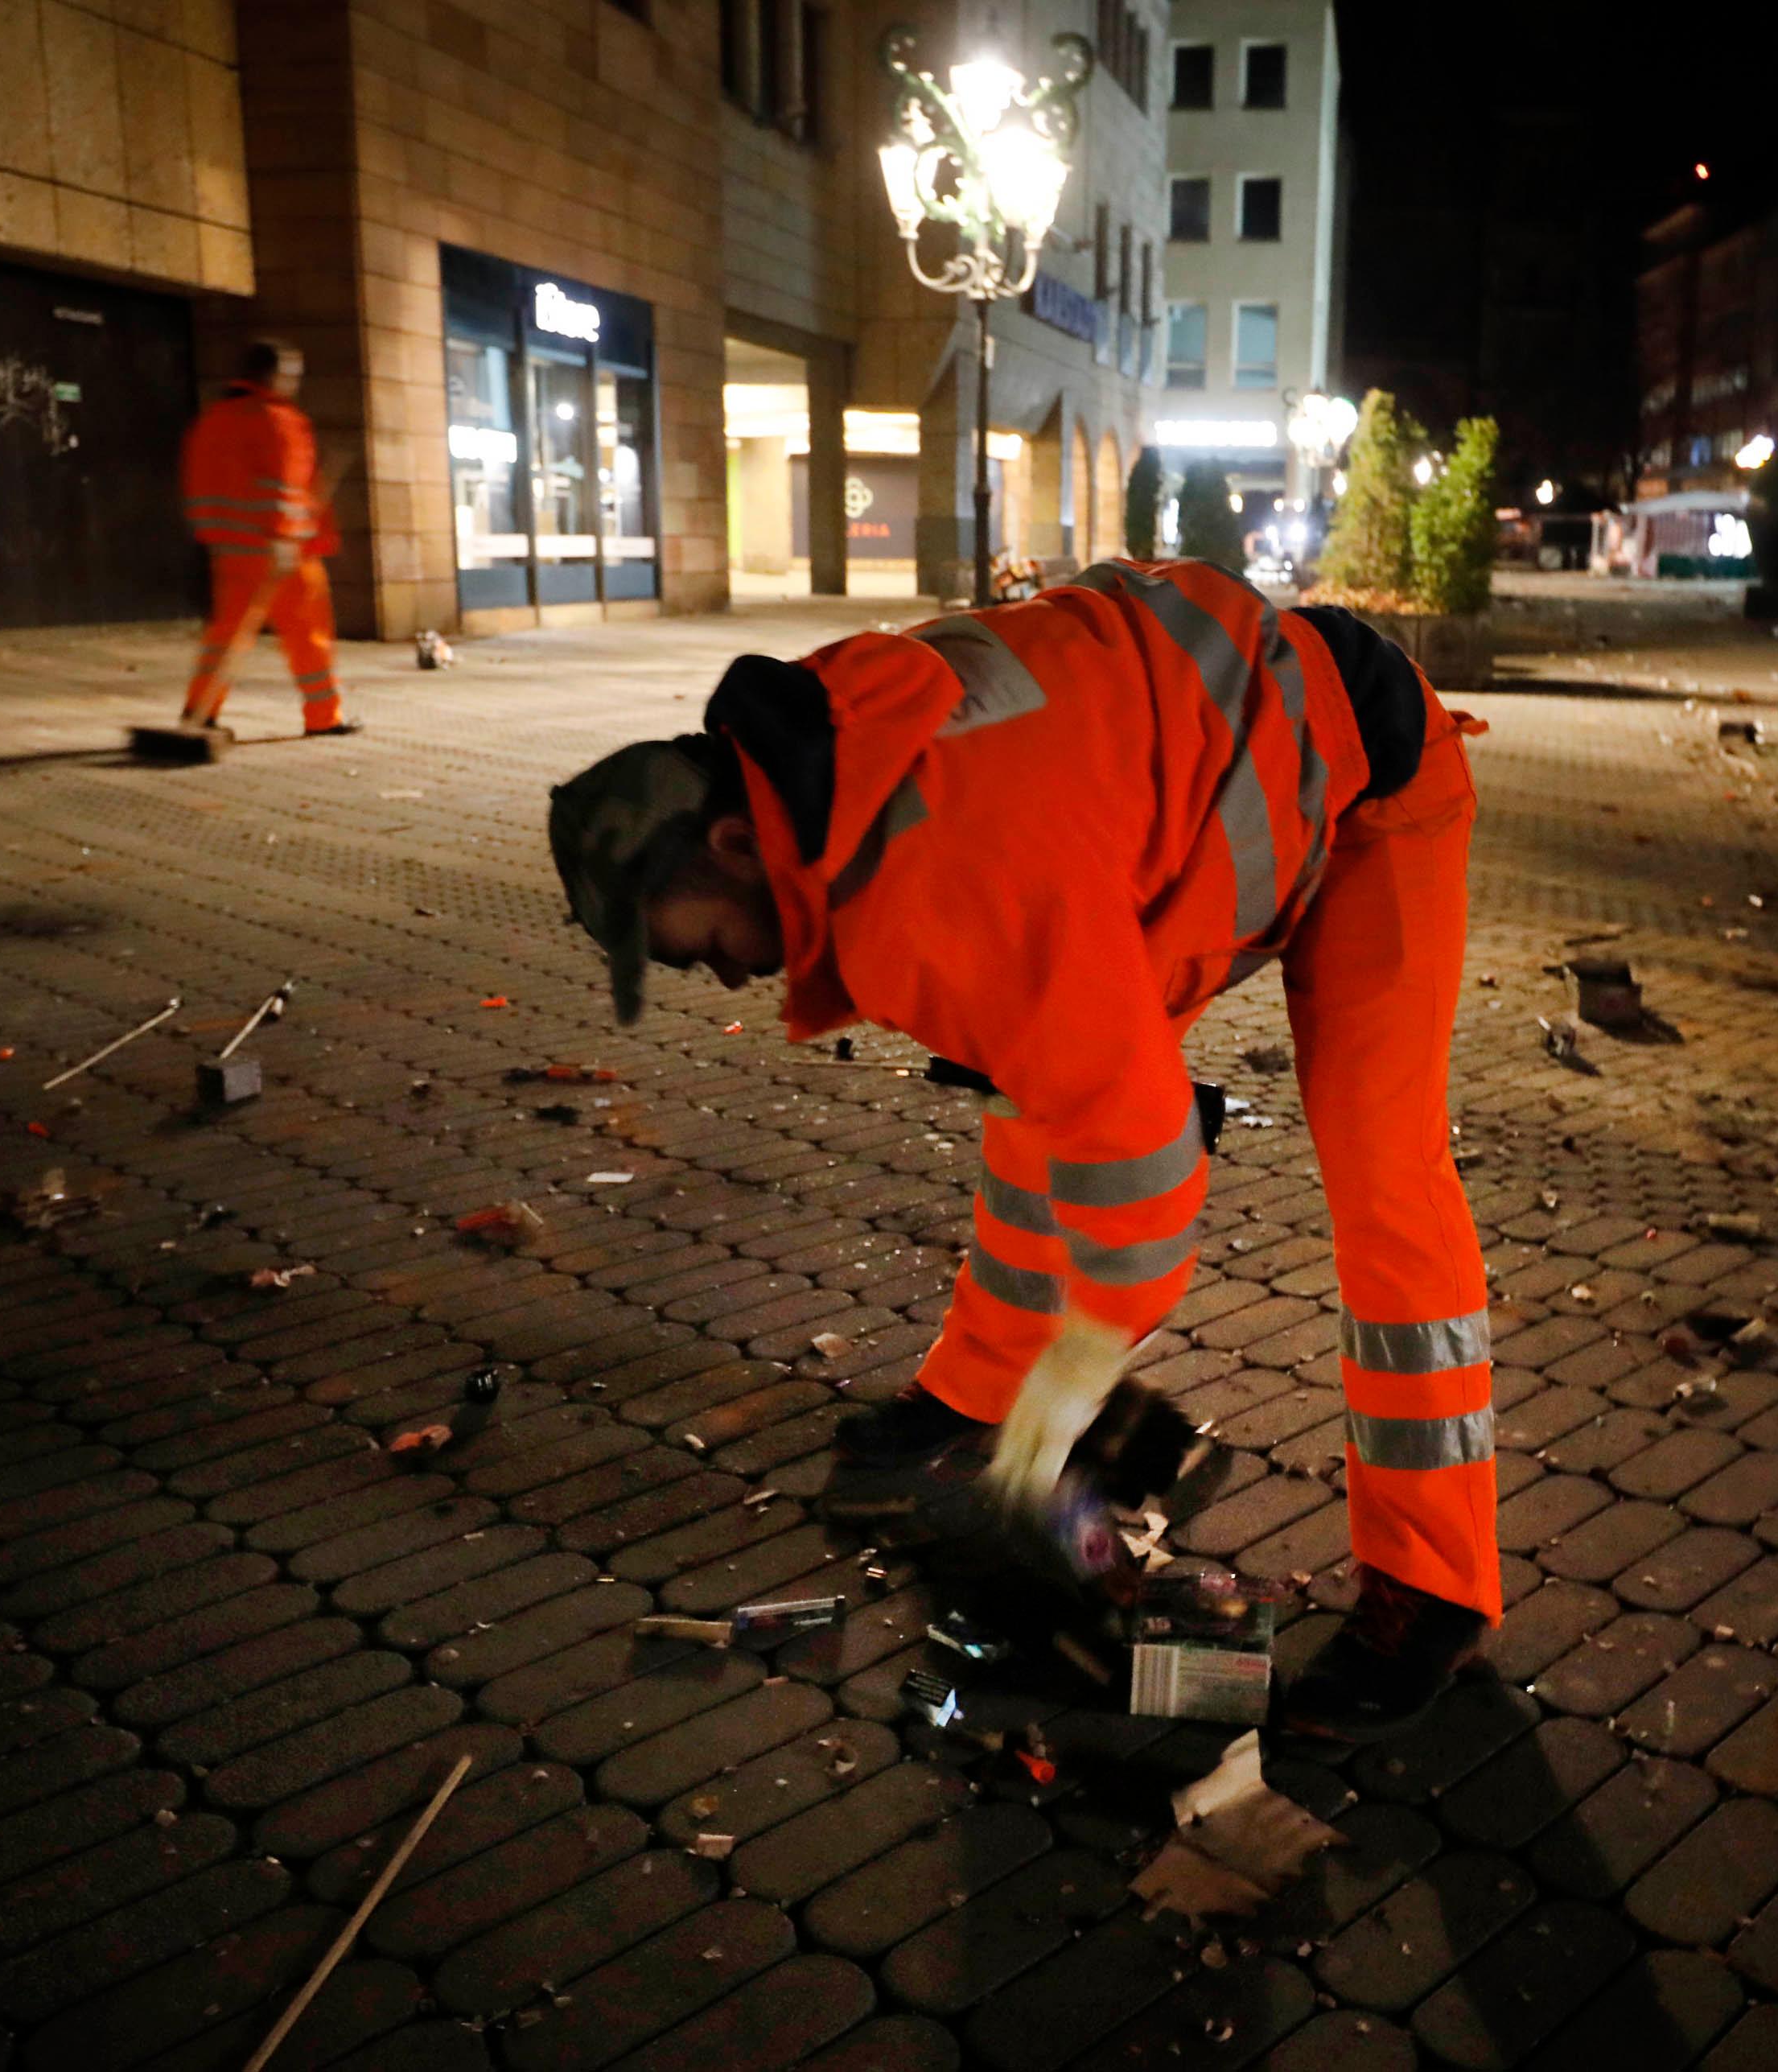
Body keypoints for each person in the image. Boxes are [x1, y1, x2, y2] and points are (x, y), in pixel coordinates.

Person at [547, 560, 1497, 1741]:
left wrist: (1062, 1408)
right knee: (1041, 1102)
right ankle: (964, 1390)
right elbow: (1046, 1102)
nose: (725, 974)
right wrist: (980, 1406)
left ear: (737, 841)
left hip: (1363, 777)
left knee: (1385, 1179)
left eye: (699, 943)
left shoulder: (936, 886)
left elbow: (1143, 1171)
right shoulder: (829, 755)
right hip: (1207, 783)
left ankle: (1434, 1586)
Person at [177, 340, 356, 737]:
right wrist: (283, 537)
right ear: (274, 375)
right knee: (309, 635)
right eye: (291, 375)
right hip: (284, 550)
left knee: (227, 636)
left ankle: (199, 711)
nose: (295, 383)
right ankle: (324, 716)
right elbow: (283, 487)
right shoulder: (278, 420)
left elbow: (201, 484)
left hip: (231, 550)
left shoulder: (213, 420)